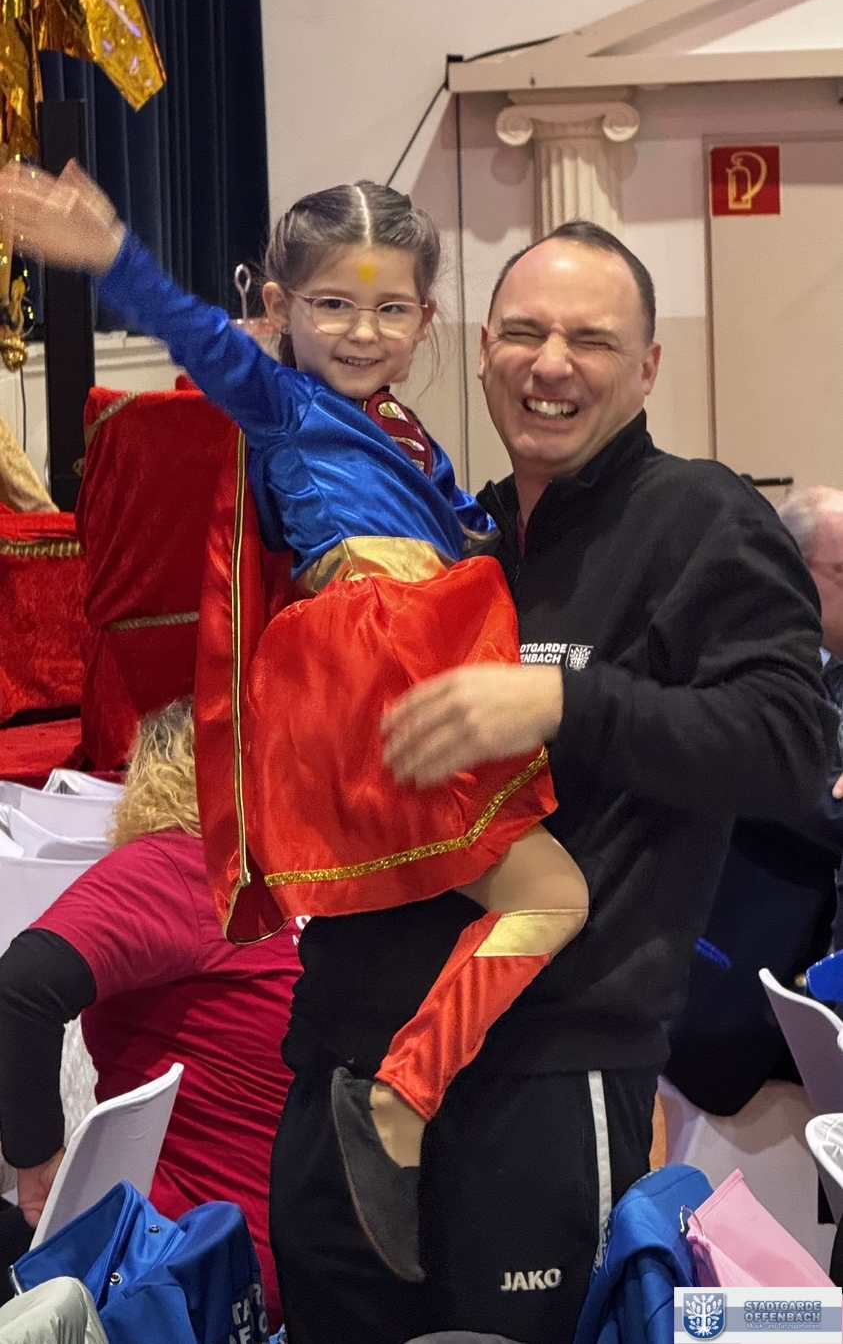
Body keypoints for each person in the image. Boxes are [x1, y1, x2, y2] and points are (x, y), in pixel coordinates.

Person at [0, 161, 588, 1281]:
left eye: (389, 308)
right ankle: (401, 1095)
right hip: (383, 673)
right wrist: (114, 257)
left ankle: (407, 1095)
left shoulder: (399, 426)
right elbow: (197, 336)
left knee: (536, 894)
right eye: (331, 304)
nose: (362, 331)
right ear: (277, 306)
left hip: (432, 650)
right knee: (551, 896)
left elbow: (454, 522)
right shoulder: (281, 399)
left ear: (426, 318)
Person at [267, 222, 835, 1344]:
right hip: (338, 1065)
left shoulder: (699, 519)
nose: (552, 362)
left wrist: (567, 701)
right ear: (482, 351)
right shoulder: (451, 532)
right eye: (524, 332)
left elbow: (789, 741)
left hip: (541, 1083)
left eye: (591, 339)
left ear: (648, 365)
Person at [0, 699, 299, 1330]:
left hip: (177, 1267)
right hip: (275, 1260)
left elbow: (21, 986)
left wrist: (36, 1163)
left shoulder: (186, 869)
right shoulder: (298, 886)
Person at [666, 485, 843, 1114]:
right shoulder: (730, 655)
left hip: (810, 996)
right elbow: (775, 784)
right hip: (720, 987)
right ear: (795, 566)